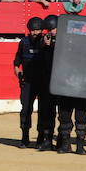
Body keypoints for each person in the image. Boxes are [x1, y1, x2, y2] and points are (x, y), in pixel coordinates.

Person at [13, 16, 49, 147]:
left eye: (38, 30)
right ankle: (25, 137)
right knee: (26, 109)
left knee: (43, 110)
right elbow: (17, 61)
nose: (35, 33)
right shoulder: (24, 42)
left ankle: (40, 137)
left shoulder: (46, 42)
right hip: (27, 81)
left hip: (43, 82)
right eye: (33, 30)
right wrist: (18, 72)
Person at [35, 14, 60, 151]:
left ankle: (63, 140)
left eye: (53, 29)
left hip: (61, 81)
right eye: (49, 29)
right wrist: (44, 45)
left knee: (63, 113)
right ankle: (46, 139)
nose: (50, 32)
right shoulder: (42, 41)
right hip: (46, 81)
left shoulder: (65, 39)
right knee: (46, 111)